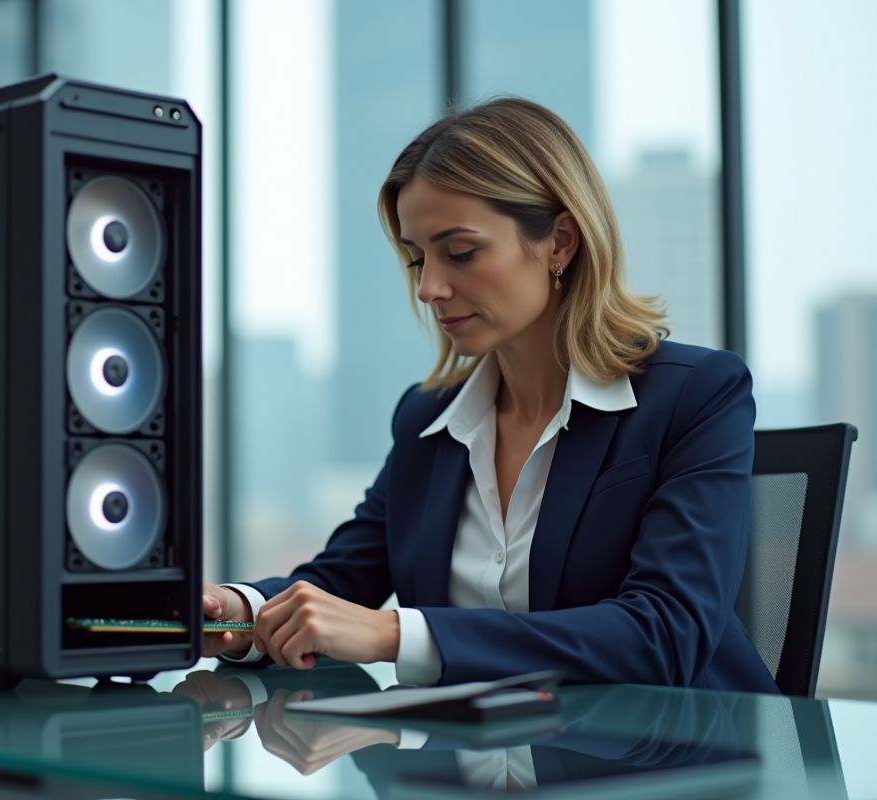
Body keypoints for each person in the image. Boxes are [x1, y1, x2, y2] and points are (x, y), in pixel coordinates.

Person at [202, 98, 778, 693]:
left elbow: (665, 633)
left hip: (668, 762)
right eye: (415, 259)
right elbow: (342, 582)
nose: (428, 287)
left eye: (460, 253)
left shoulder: (695, 396)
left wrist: (397, 634)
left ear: (560, 242)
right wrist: (232, 611)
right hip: (476, 766)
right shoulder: (428, 419)